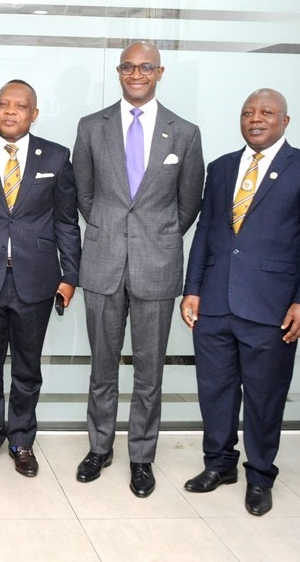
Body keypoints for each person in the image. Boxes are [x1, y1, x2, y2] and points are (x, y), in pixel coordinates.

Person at [180, 89, 300, 516]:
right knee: (215, 391)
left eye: (266, 112)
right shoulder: (222, 167)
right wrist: (192, 289)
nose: (255, 119)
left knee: (265, 396)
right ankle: (219, 465)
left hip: (272, 307)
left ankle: (260, 476)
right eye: (248, 112)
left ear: (285, 121)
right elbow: (206, 233)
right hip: (214, 303)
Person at [73, 40, 205, 497]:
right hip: (103, 262)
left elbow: (188, 205)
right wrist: (115, 230)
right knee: (102, 366)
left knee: (150, 370)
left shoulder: (184, 133)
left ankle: (142, 456)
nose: (136, 74)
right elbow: (85, 197)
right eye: (128, 67)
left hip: (157, 265)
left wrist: (156, 236)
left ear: (160, 72)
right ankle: (99, 447)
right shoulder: (92, 127)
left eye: (145, 67)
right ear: (118, 71)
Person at [0, 80, 81, 477]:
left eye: (20, 106)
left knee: (27, 368)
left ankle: (22, 441)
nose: (10, 112)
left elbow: (66, 220)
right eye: (3, 105)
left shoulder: (57, 157)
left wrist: (70, 275)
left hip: (37, 278)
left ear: (34, 113)